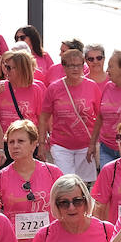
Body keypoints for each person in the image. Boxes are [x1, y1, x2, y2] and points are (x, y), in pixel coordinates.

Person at [0, 121, 64, 242]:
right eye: (11, 142)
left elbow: (66, 207)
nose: (15, 146)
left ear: (34, 144)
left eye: (20, 141)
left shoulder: (53, 172)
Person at [40, 46, 100, 183]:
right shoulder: (54, 88)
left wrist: (94, 143)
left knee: (83, 184)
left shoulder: (92, 86)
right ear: (64, 67)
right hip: (61, 145)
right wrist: (42, 144)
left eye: (79, 65)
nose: (75, 69)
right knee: (67, 182)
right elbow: (44, 117)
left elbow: (99, 117)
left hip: (86, 145)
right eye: (71, 65)